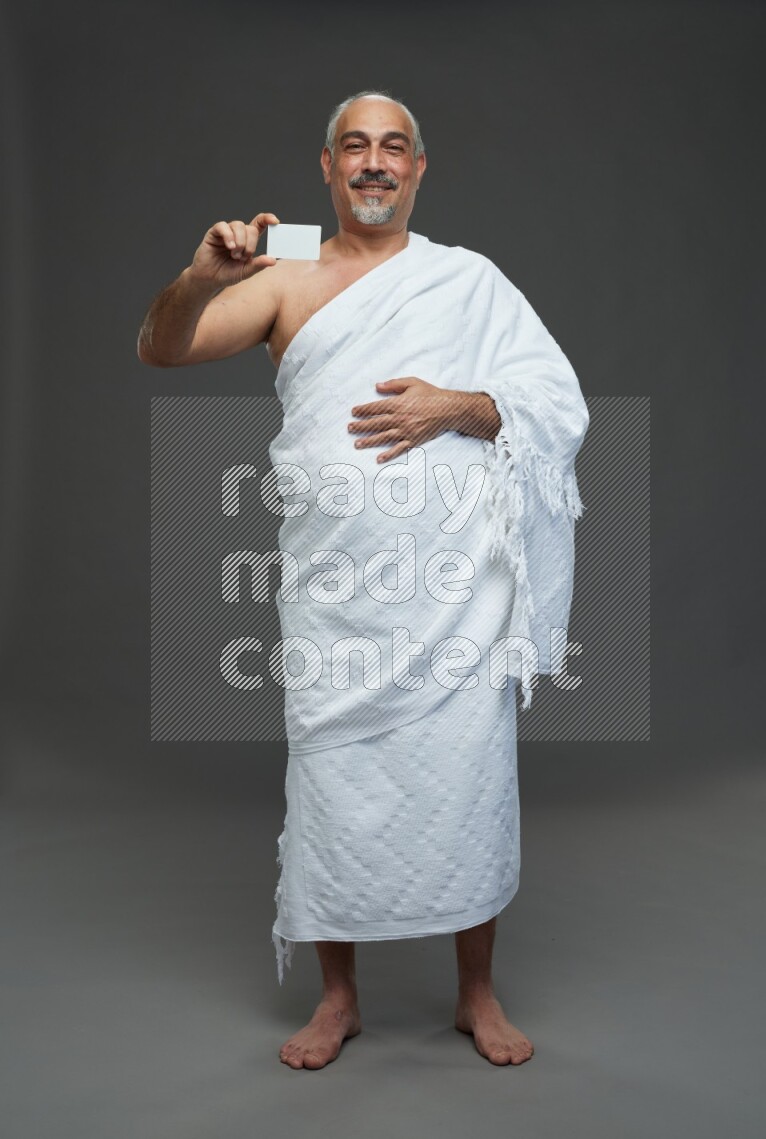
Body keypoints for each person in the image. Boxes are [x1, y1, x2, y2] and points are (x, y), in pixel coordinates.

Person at [137, 89, 590, 1069]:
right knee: (333, 779)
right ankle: (336, 996)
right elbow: (161, 348)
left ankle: (475, 990)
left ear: (419, 169)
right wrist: (195, 273)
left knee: (467, 778)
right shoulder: (286, 278)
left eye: (393, 148)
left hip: (453, 591)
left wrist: (457, 404)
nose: (374, 163)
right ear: (327, 168)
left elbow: (554, 398)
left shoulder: (470, 281)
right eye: (355, 147)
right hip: (336, 592)